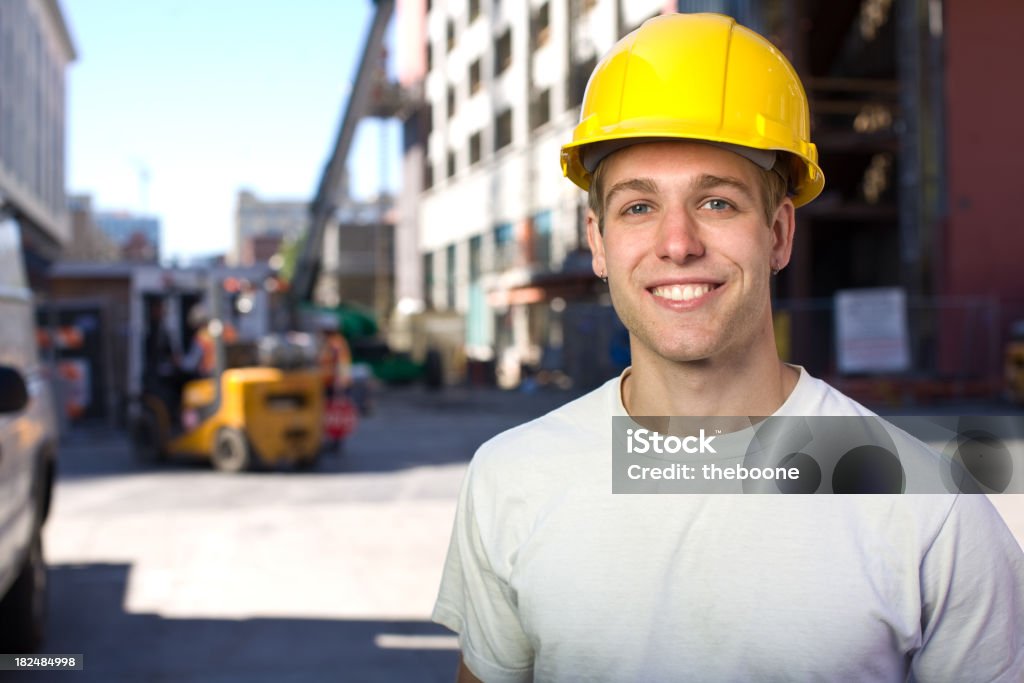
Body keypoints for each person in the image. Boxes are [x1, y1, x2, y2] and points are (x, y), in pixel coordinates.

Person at [432, 13, 1023, 682]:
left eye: (716, 203)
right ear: (596, 241)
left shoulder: (928, 504)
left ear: (777, 232)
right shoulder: (512, 477)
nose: (677, 242)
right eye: (637, 207)